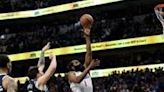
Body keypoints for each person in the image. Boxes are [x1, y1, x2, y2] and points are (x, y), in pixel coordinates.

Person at [67, 28, 100, 92]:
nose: (79, 63)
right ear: (72, 67)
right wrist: (89, 67)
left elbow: (89, 53)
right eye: (76, 62)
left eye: (78, 61)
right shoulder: (70, 74)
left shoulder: (85, 69)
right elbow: (77, 80)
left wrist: (87, 37)